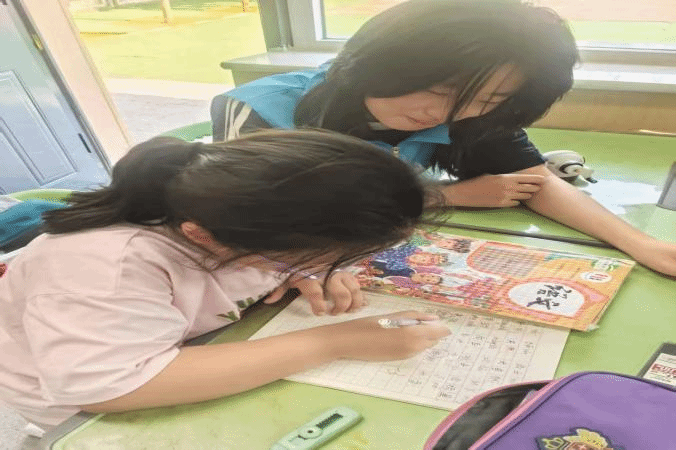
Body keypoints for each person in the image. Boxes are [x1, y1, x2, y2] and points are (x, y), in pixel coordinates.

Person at [0, 130, 450, 431]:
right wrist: (335, 341)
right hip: (83, 407)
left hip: (186, 340)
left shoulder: (235, 215)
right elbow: (107, 386)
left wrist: (309, 271)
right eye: (314, 256)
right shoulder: (102, 266)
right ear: (203, 237)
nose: (328, 266)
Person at [210, 0, 676, 277]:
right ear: (384, 61)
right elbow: (253, 221)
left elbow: (538, 182)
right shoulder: (266, 112)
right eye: (435, 88)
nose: (441, 113)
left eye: (487, 98)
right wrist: (441, 195)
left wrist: (642, 245)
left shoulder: (473, 113)